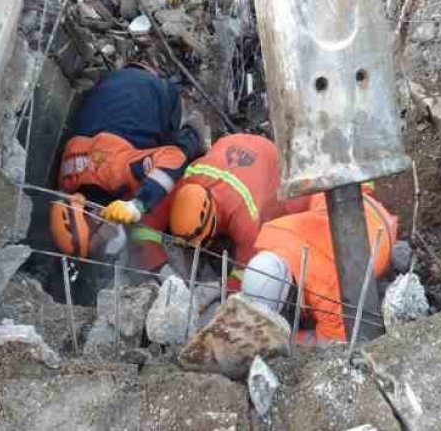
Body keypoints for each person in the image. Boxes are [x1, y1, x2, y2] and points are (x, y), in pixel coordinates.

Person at [49, 65, 206, 269]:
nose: (105, 241)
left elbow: (173, 158)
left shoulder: (120, 172)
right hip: (112, 81)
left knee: (172, 161)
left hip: (153, 88)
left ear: (95, 216)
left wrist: (139, 204)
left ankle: (191, 132)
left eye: (99, 242)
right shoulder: (67, 179)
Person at [239, 189, 398, 344]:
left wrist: (286, 340)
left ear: (290, 296)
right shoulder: (270, 234)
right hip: (338, 208)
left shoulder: (328, 287)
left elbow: (334, 341)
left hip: (377, 225)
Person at [164, 134, 311, 290]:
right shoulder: (186, 182)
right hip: (231, 142)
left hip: (271, 159)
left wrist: (225, 294)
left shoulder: (243, 216)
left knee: (282, 231)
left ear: (213, 224)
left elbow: (245, 266)